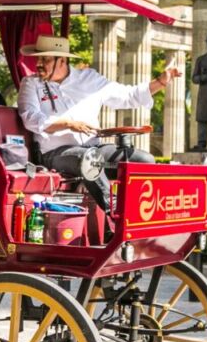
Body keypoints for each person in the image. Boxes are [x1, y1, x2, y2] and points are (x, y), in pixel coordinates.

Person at [17, 34, 179, 210]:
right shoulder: (31, 83)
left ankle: (139, 210)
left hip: (93, 149)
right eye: (38, 59)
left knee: (144, 160)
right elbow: (30, 117)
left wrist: (161, 82)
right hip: (54, 154)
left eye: (45, 59)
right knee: (89, 159)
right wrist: (68, 123)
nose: (39, 64)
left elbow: (129, 96)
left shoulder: (90, 79)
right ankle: (118, 213)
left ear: (62, 61)